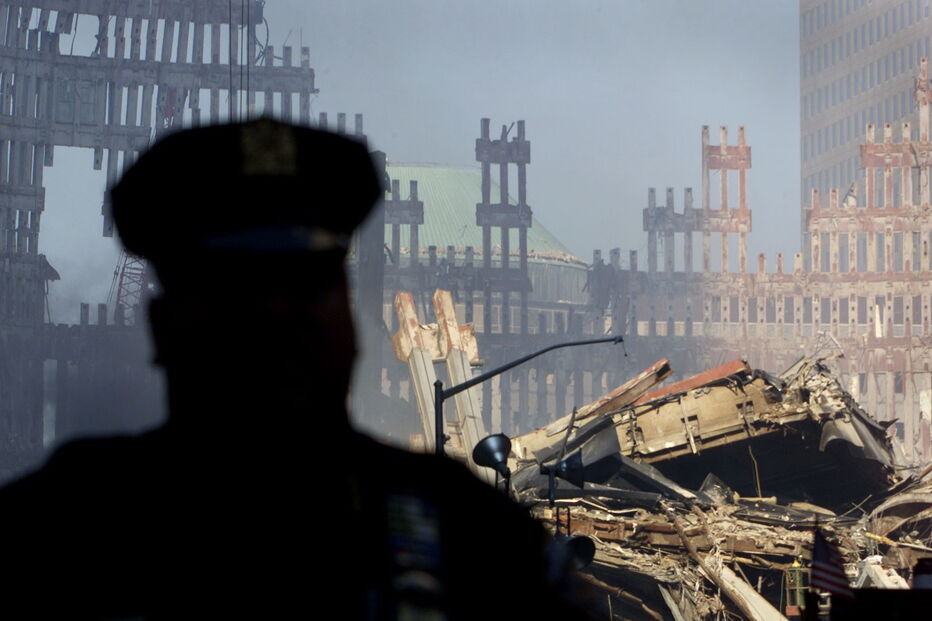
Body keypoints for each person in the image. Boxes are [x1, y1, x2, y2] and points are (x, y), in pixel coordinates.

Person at [0, 119, 594, 619]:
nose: (280, 321)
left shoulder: (465, 532)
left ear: (352, 322)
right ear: (164, 326)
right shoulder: (59, 533)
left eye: (308, 289)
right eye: (239, 297)